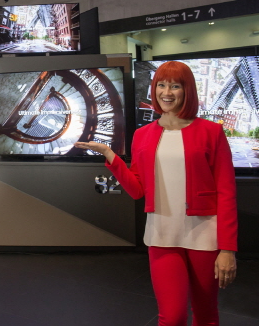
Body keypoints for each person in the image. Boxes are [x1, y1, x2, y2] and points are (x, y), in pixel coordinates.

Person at [75, 61, 238, 326]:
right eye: (161, 85)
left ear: (187, 90)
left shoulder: (212, 132)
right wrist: (110, 155)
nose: (167, 92)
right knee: (171, 317)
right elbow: (137, 190)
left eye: (175, 86)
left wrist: (228, 249)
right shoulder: (142, 135)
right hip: (161, 236)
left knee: (206, 315)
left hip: (205, 236)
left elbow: (226, 192)